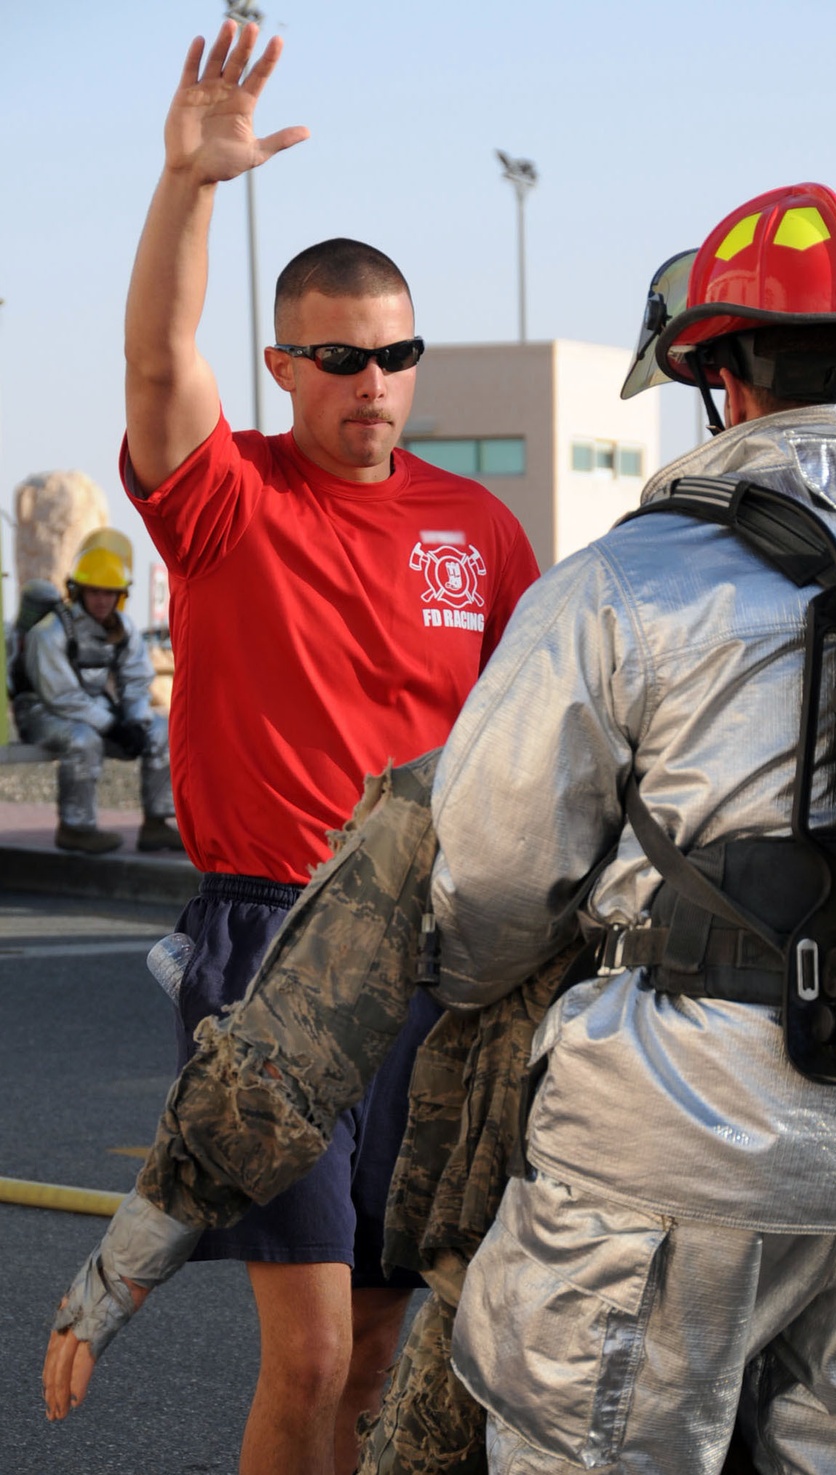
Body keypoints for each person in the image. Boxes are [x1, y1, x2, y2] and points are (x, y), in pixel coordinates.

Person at [422, 183, 836, 1474]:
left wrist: (463, 983)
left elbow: (493, 877)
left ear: (723, 376)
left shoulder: (619, 585)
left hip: (670, 1143)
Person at [96, 18, 538, 1475]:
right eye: (343, 358)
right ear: (285, 363)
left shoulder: (478, 532)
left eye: (398, 353)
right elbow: (160, 357)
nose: (377, 383)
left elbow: (531, 748)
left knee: (384, 1366)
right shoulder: (225, 501)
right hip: (271, 948)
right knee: (315, 1352)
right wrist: (191, 187)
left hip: (434, 957)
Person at [11, 530, 182, 855]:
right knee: (82, 739)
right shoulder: (50, 633)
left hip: (93, 710)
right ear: (78, 591)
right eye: (95, 592)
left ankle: (156, 825)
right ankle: (76, 828)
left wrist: (135, 720)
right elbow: (61, 696)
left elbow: (135, 680)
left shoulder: (124, 628)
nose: (103, 600)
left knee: (160, 729)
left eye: (110, 593)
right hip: (40, 712)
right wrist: (112, 725)